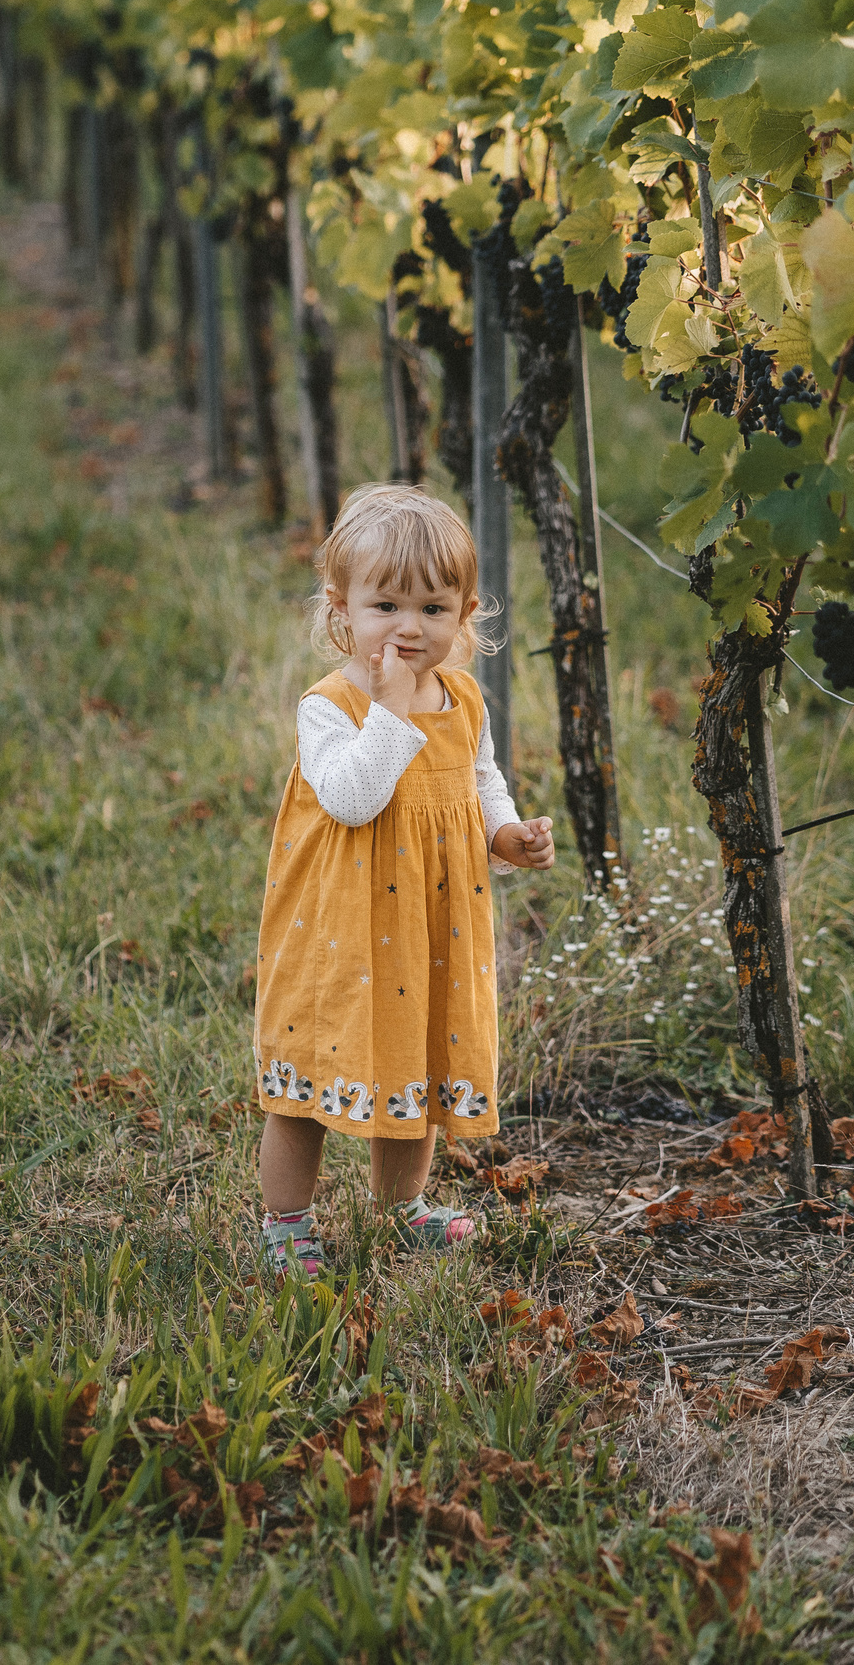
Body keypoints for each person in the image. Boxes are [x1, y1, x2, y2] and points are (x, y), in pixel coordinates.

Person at [252, 483, 557, 1279]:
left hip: (431, 918)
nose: (410, 627)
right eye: (386, 604)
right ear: (341, 609)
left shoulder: (461, 698)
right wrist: (388, 712)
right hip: (340, 930)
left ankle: (402, 1207)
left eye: (432, 607)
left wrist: (505, 831)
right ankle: (287, 1221)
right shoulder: (332, 706)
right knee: (311, 1078)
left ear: (466, 611)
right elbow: (355, 798)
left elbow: (479, 777)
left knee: (420, 1054)